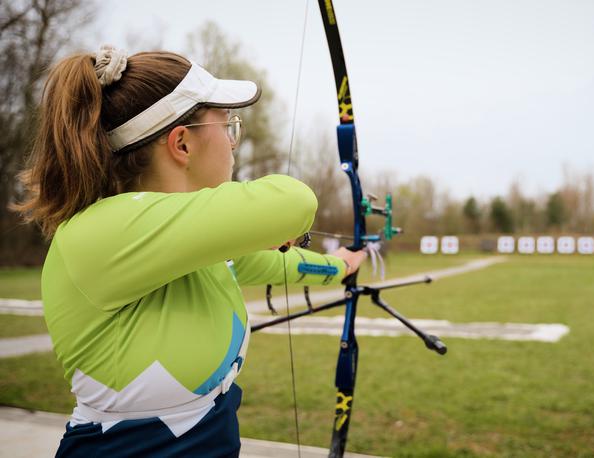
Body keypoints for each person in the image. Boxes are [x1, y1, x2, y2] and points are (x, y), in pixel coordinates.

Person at [14, 45, 366, 457]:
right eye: (228, 126)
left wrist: (338, 268)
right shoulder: (104, 231)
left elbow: (272, 261)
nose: (233, 142)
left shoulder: (181, 243)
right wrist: (256, 221)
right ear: (182, 143)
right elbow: (295, 202)